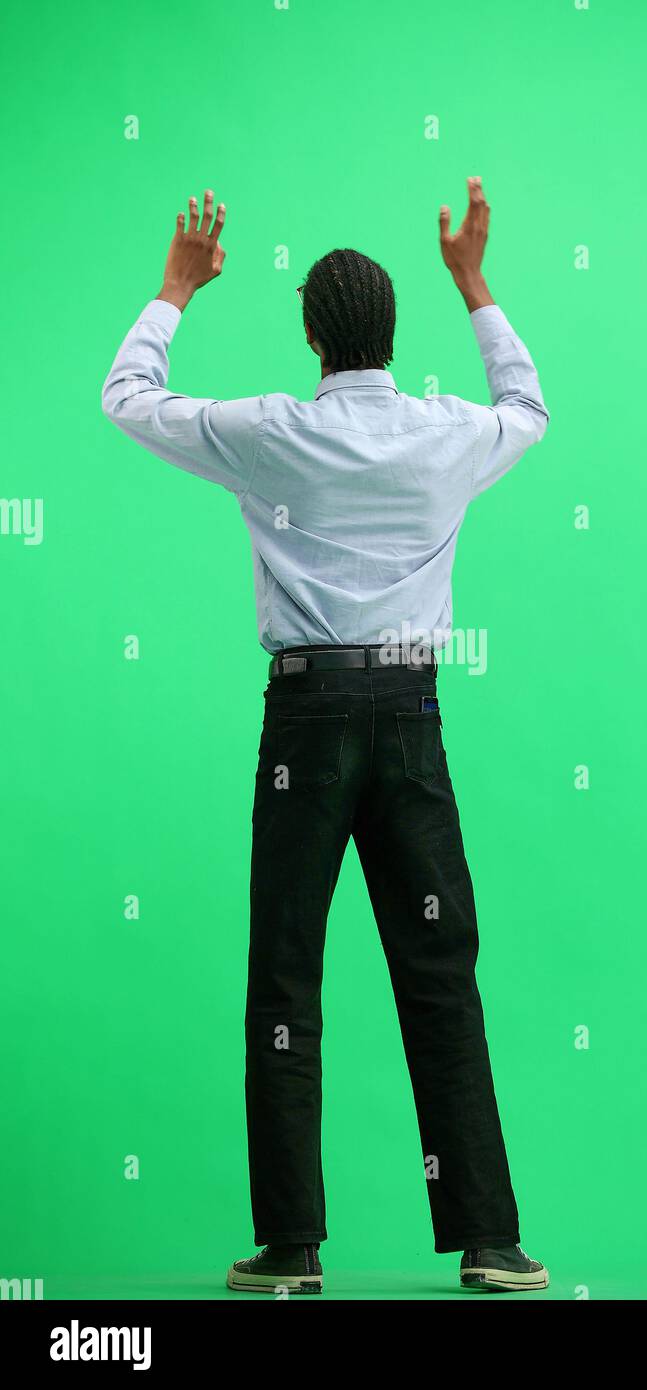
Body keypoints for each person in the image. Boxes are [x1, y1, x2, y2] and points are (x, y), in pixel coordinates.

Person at [102, 177, 549, 1294]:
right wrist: (474, 280)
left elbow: (128, 397)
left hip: (305, 719)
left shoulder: (269, 434)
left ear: (310, 335)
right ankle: (489, 1241)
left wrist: (174, 289)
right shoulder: (449, 436)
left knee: (287, 975)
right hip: (408, 719)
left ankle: (293, 1249)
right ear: (391, 334)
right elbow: (529, 408)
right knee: (438, 973)